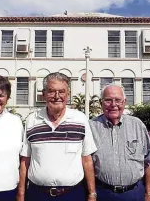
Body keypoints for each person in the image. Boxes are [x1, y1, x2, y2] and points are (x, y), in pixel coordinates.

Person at [17, 72, 97, 201]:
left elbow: (87, 160)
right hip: (37, 194)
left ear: (68, 94)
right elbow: (25, 161)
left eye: (61, 91)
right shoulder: (32, 120)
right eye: (51, 91)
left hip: (73, 194)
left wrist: (92, 194)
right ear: (43, 94)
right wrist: (21, 195)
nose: (57, 96)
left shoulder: (80, 119)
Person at [89, 84, 150, 201]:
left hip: (134, 193)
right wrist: (92, 193)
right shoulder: (91, 127)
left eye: (118, 100)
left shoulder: (137, 125)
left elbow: (147, 161)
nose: (113, 105)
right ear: (101, 103)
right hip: (103, 193)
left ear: (124, 102)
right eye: (108, 100)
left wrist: (149, 193)